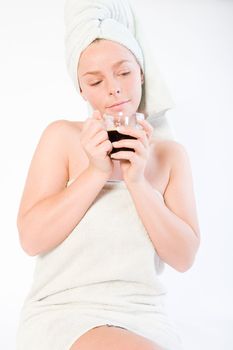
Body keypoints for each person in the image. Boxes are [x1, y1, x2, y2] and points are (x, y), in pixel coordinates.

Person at [16, 1, 201, 350]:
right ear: (81, 91)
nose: (114, 88)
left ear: (142, 73)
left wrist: (137, 182)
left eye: (124, 72)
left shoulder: (170, 155)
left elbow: (183, 257)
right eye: (95, 81)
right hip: (64, 312)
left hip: (144, 317)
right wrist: (96, 173)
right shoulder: (62, 137)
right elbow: (31, 239)